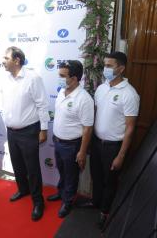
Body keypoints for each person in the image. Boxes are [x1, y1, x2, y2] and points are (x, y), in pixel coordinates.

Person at [91, 51, 140, 229]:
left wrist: (120, 155)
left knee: (109, 182)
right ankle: (95, 203)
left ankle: (105, 212)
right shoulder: (102, 88)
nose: (106, 69)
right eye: (105, 65)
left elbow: (130, 128)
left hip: (114, 147)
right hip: (96, 143)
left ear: (121, 68)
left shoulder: (130, 94)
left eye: (110, 66)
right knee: (96, 177)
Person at [1, 46, 49, 221]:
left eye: (6, 58)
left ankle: (38, 202)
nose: (3, 61)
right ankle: (23, 190)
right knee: (17, 164)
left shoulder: (32, 78)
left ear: (17, 60)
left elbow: (42, 104)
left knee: (32, 168)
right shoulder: (6, 79)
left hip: (29, 131)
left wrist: (43, 129)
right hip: (12, 132)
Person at [47, 60, 94, 218]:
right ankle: (61, 193)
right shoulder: (62, 91)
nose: (59, 78)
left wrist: (82, 152)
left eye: (62, 76)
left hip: (72, 146)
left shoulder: (84, 99)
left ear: (74, 78)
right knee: (62, 171)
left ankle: (67, 202)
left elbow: (87, 128)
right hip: (58, 141)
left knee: (71, 176)